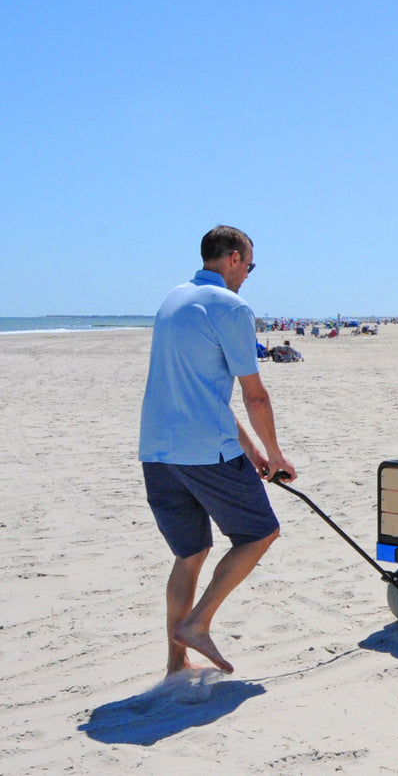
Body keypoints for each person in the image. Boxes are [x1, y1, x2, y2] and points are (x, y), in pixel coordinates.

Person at [139, 225, 296, 676]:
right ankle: (198, 623)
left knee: (189, 554)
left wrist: (253, 454)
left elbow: (208, 396)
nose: (248, 273)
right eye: (249, 264)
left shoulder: (172, 300)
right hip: (204, 450)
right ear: (232, 258)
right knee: (260, 532)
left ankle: (176, 663)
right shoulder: (231, 307)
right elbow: (253, 394)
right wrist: (277, 454)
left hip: (156, 450)